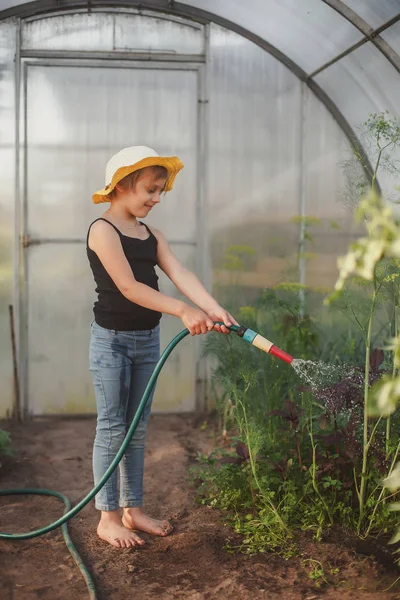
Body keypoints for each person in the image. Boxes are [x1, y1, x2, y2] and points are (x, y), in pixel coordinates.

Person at [87, 146, 237, 549]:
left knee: (135, 431)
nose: (156, 198)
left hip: (146, 341)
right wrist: (183, 311)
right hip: (112, 343)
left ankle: (133, 512)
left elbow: (179, 271)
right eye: (150, 190)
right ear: (121, 185)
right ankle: (108, 517)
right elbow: (128, 287)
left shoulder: (152, 235)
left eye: (160, 192)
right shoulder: (103, 230)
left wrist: (213, 308)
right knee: (113, 427)